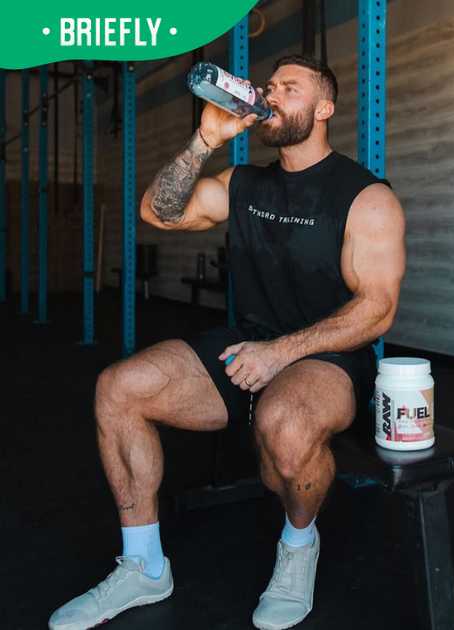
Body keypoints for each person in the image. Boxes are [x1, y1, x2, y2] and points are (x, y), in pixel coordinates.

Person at [48, 55, 406, 630]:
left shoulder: (365, 197)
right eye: (270, 85)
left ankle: (298, 545)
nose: (272, 93)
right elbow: (157, 214)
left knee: (284, 434)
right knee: (119, 388)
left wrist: (280, 355)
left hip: (328, 356)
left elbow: (378, 308)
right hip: (249, 344)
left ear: (323, 109)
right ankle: (143, 566)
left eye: (290, 88)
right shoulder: (244, 182)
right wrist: (205, 138)